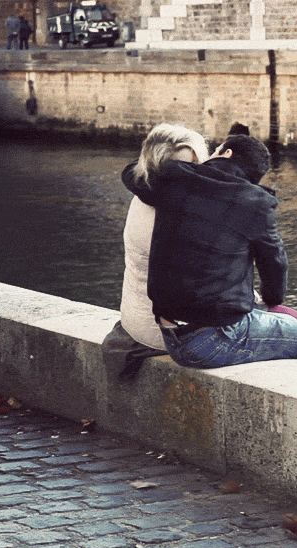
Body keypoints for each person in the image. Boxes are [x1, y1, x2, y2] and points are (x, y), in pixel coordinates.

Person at [143, 133, 297, 369]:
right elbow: (275, 265)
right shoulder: (255, 202)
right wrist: (271, 299)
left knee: (290, 319)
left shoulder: (175, 178)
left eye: (215, 150)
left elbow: (131, 173)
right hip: (215, 339)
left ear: (227, 153)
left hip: (171, 332)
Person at [103, 124, 210, 379]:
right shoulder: (183, 213)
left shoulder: (143, 192)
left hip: (135, 320)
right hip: (166, 333)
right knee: (287, 321)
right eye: (193, 166)